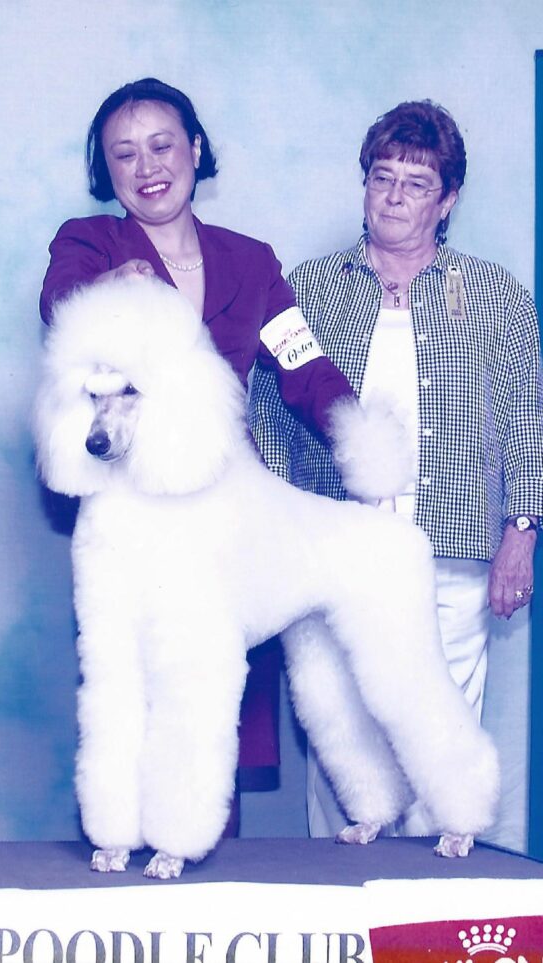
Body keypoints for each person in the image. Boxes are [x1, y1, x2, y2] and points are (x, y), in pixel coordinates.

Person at [40, 78, 374, 828]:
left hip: (224, 501)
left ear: (195, 150)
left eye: (162, 145)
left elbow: (303, 365)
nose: (146, 165)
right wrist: (105, 289)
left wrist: (359, 433)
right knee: (131, 679)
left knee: (211, 690)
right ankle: (127, 827)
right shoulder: (89, 244)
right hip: (129, 507)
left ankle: (199, 839)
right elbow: (60, 306)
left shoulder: (250, 261)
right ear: (107, 171)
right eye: (123, 154)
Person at [249, 99, 543, 838]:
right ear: (364, 185)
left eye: (417, 183)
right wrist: (280, 527)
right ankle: (339, 894)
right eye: (382, 177)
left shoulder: (499, 296)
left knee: (434, 713)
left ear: (448, 201)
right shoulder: (306, 288)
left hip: (452, 545)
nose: (394, 195)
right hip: (329, 546)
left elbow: (529, 417)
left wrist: (523, 530)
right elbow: (271, 413)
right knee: (338, 716)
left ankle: (432, 896)